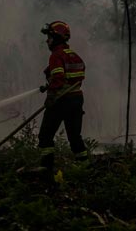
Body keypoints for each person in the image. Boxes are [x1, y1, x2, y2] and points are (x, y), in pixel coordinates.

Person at [37, 20, 88, 176]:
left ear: (57, 38)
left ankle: (46, 168)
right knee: (74, 136)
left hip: (60, 100)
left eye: (49, 37)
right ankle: (84, 166)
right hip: (76, 99)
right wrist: (50, 79)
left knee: (45, 135)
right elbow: (76, 76)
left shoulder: (56, 56)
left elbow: (58, 79)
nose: (47, 40)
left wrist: (51, 94)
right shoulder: (74, 55)